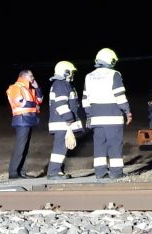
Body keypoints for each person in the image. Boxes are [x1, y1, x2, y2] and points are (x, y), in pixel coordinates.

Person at [82, 48, 132, 179]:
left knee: (99, 146)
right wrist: (127, 111)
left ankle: (100, 173)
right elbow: (119, 95)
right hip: (112, 117)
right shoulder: (114, 74)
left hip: (96, 118)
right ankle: (116, 173)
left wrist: (89, 115)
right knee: (114, 144)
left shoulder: (89, 76)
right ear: (110, 60)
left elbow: (85, 99)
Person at [47, 61, 83, 180]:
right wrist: (70, 120)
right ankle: (53, 172)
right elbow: (61, 105)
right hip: (63, 122)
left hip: (62, 122)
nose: (72, 74)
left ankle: (57, 171)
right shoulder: (61, 85)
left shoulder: (60, 84)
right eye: (71, 72)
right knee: (60, 147)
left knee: (62, 147)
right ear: (66, 72)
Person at [6, 69, 43, 179]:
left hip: (28, 119)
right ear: (24, 76)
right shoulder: (15, 87)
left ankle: (20, 171)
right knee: (20, 147)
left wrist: (37, 87)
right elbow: (19, 102)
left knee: (25, 148)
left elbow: (40, 100)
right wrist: (34, 105)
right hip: (21, 120)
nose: (33, 78)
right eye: (31, 76)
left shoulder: (28, 89)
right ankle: (13, 173)